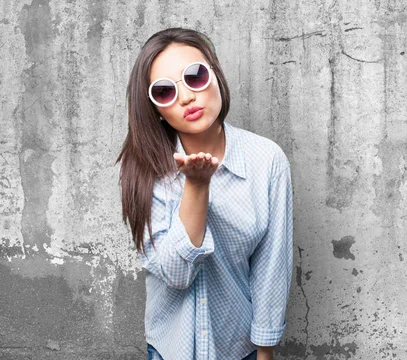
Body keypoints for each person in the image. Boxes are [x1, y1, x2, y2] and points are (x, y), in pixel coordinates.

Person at [116, 28, 293, 360]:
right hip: (170, 349)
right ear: (156, 109)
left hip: (240, 348)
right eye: (165, 91)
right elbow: (176, 275)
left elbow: (272, 266)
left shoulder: (267, 161)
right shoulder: (144, 169)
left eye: (194, 77)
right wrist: (197, 187)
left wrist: (266, 351)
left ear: (215, 75)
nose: (185, 97)